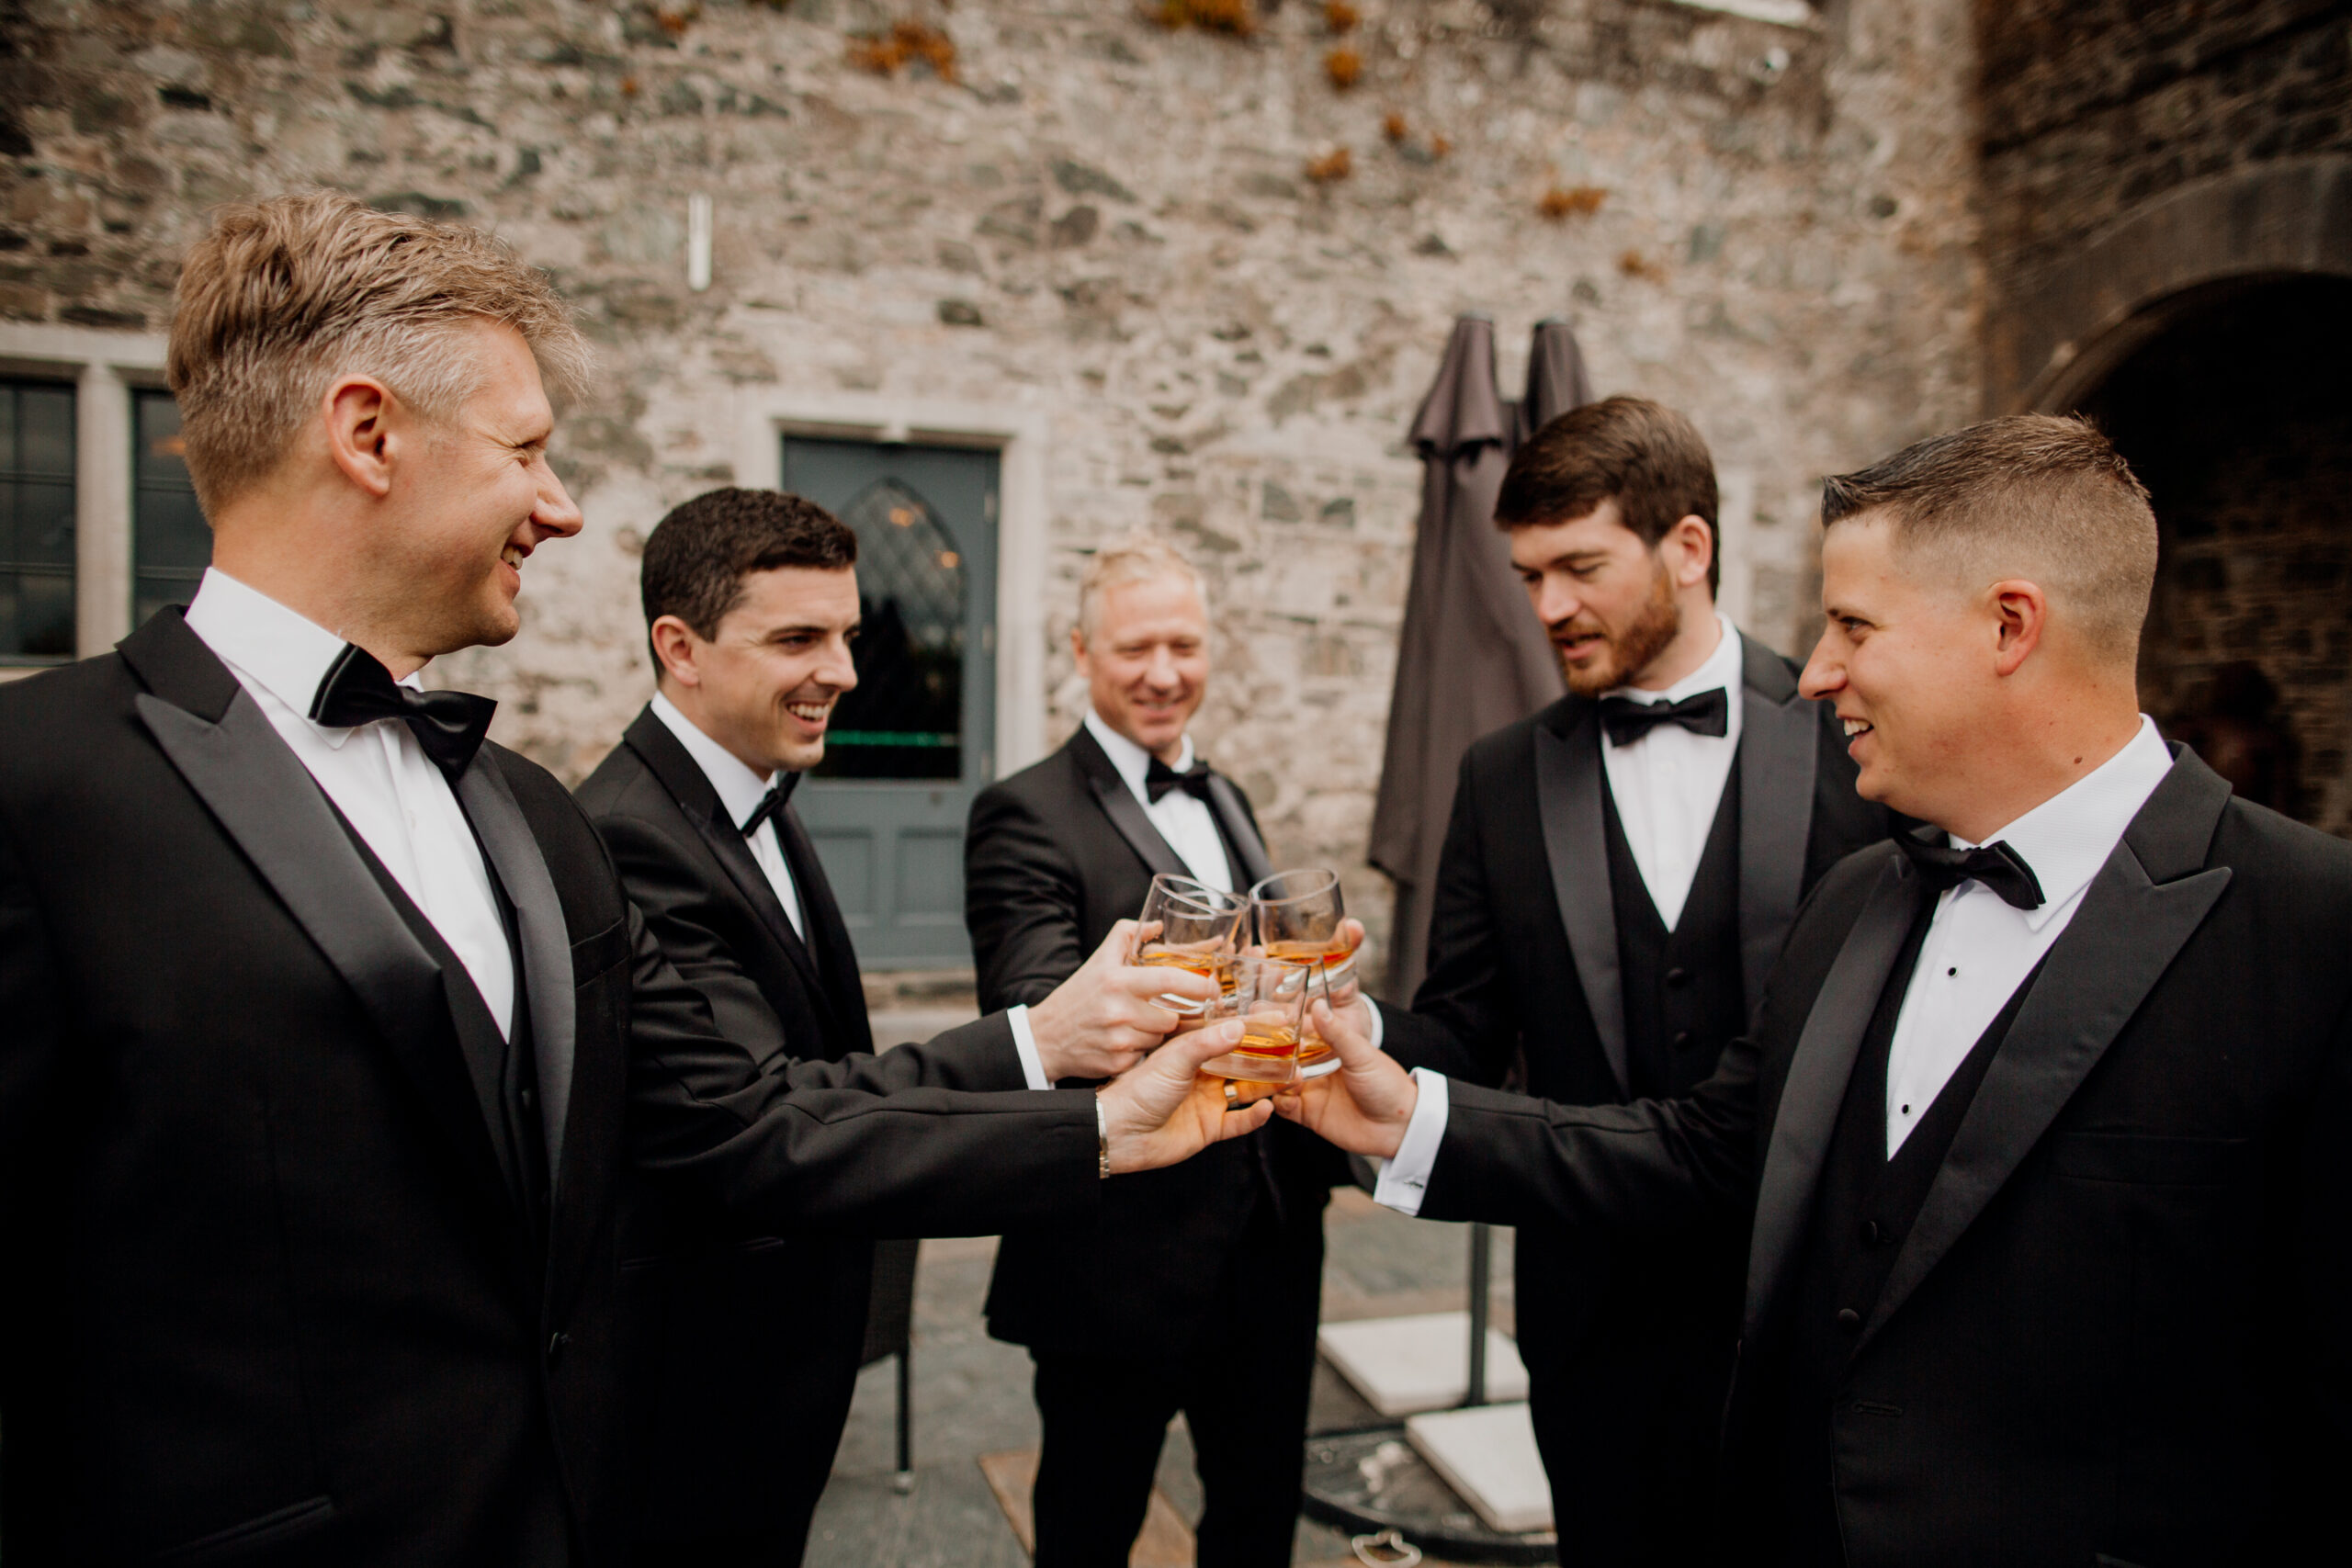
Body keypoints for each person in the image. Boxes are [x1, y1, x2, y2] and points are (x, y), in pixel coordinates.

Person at [0, 192, 1265, 1568]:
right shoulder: (37, 785)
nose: (562, 504)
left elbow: (731, 1121)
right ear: (368, 435)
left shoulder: (527, 814)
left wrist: (1100, 1118)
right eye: (528, 450)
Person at [1288, 415, 2352, 1566]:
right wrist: (1405, 1114)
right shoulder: (1862, 899)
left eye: (1851, 624)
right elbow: (1711, 1147)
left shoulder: (2314, 934)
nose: (1818, 672)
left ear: (2009, 626)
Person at [1366, 395, 1891, 1563]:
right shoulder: (1500, 777)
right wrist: (1344, 1022)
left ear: (1688, 547)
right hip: (1586, 1309)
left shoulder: (1851, 738)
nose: (1545, 605)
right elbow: (1460, 1031)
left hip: (1802, 1309)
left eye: (1579, 567)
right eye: (1529, 573)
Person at [579, 487, 1092, 1564]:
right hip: (704, 1372)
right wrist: (1043, 1047)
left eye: (848, 635)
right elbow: (766, 1115)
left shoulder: (750, 790)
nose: (846, 673)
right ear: (680, 647)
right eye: (798, 638)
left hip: (785, 1348)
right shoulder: (631, 836)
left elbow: (830, 1065)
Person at [964, 534, 1340, 1567]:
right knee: (1089, 1527)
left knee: (1258, 1517)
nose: (1165, 673)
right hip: (1114, 1253)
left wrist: (1317, 990)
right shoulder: (1022, 813)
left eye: (1185, 644)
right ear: (1081, 652)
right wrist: (1254, 994)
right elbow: (1041, 1005)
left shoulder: (1224, 793)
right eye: (1135, 648)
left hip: (1269, 1237)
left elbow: (1273, 957)